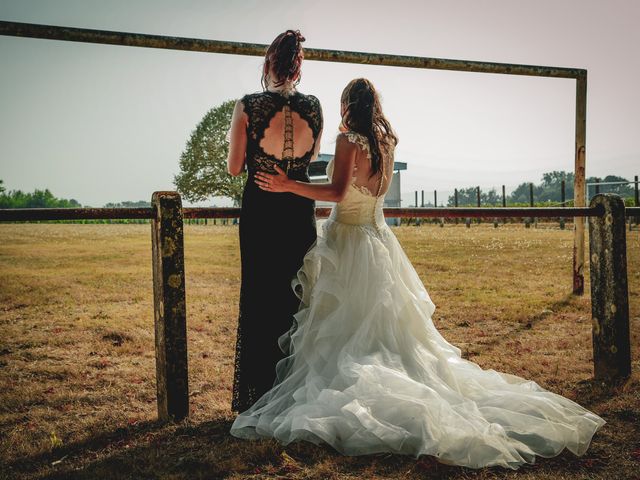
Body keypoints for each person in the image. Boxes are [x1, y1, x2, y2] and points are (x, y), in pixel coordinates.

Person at [229, 78, 605, 470]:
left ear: (346, 107)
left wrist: (289, 184)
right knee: (382, 327)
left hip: (349, 241)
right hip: (379, 241)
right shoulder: (386, 143)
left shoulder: (349, 142)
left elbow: (339, 192)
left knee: (346, 327)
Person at [226, 29, 323, 413]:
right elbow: (311, 160)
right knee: (295, 299)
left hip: (261, 210)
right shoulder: (314, 107)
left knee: (259, 298)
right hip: (298, 210)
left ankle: (259, 394)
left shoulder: (247, 105)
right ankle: (294, 391)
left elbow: (235, 168)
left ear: (268, 64)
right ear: (299, 68)